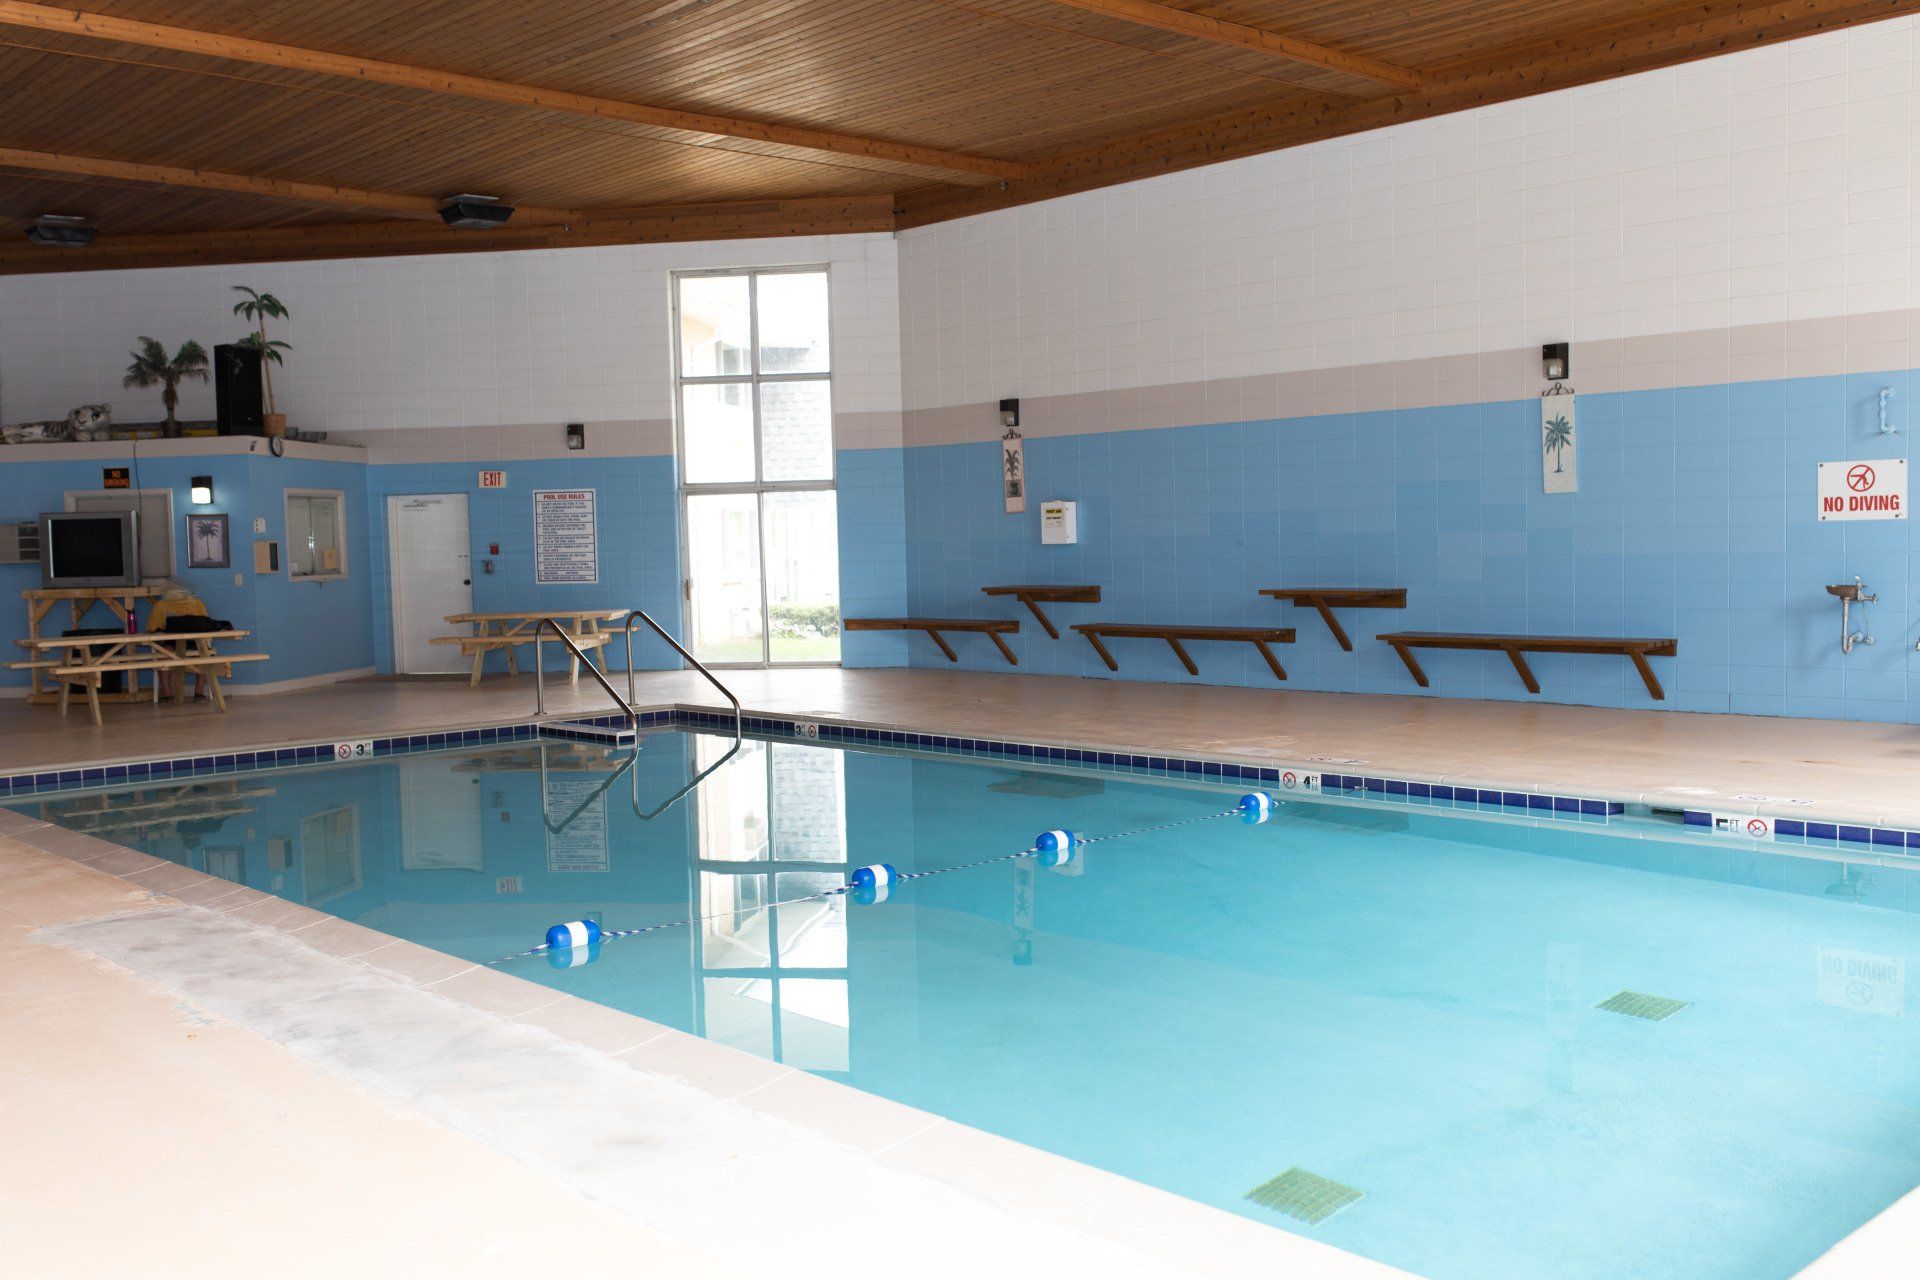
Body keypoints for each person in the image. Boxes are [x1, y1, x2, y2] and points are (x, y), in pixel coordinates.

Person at [145, 578, 211, 702]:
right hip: (170, 642)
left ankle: (199, 692)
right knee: (164, 653)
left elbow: (206, 625)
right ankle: (166, 693)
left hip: (194, 641)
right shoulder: (161, 606)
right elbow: (151, 630)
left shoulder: (197, 604)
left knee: (203, 653)